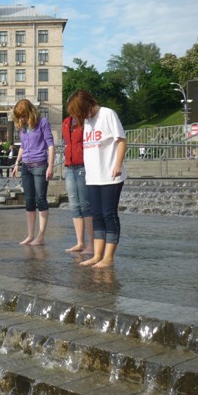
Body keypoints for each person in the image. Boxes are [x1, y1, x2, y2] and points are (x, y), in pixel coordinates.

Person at [67, 89, 127, 269]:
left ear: (88, 105)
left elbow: (121, 140)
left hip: (110, 175)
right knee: (97, 216)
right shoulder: (87, 121)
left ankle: (108, 257)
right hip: (92, 176)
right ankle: (97, 255)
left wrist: (117, 164)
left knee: (109, 214)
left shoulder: (107, 114)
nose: (81, 116)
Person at [11, 99, 55, 246]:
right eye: (19, 117)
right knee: (29, 200)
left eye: (23, 115)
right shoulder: (23, 127)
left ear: (30, 112)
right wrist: (17, 163)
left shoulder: (42, 122)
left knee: (40, 199)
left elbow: (50, 144)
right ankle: (30, 235)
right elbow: (22, 146)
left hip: (40, 164)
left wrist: (51, 166)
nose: (21, 119)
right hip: (26, 165)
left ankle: (40, 236)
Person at [62, 113, 94, 254]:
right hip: (69, 166)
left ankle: (92, 244)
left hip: (82, 166)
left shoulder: (86, 122)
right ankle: (80, 243)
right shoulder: (66, 123)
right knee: (74, 206)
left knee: (85, 205)